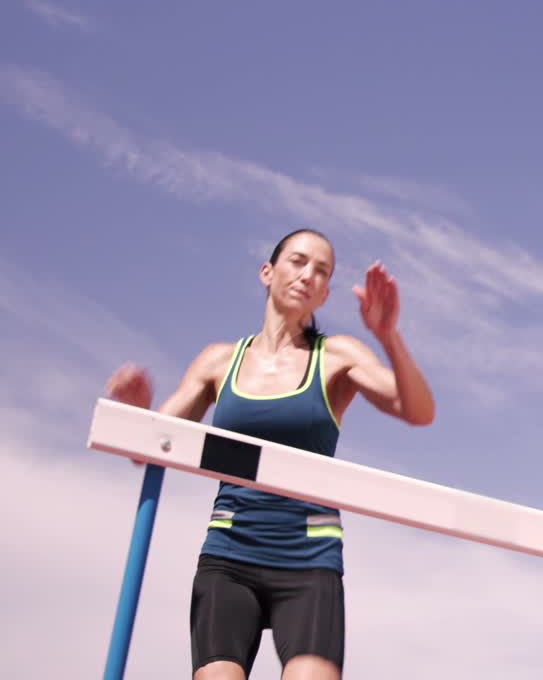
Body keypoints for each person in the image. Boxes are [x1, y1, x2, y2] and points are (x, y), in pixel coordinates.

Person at [104, 228, 435, 680]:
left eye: (322, 271)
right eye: (298, 262)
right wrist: (136, 415)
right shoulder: (219, 362)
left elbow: (418, 411)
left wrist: (389, 335)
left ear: (325, 294)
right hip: (229, 553)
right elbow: (151, 449)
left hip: (309, 559)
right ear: (267, 272)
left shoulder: (336, 357)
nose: (308, 275)